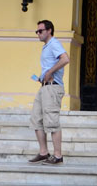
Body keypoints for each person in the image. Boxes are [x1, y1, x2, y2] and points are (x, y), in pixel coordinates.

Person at [29, 19, 69, 165]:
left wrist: (50, 72)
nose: (38, 34)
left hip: (53, 87)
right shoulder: (46, 47)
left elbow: (65, 59)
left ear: (49, 30)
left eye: (40, 31)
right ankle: (43, 153)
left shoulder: (54, 43)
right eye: (37, 31)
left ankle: (58, 156)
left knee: (52, 121)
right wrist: (42, 76)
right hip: (44, 87)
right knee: (36, 119)